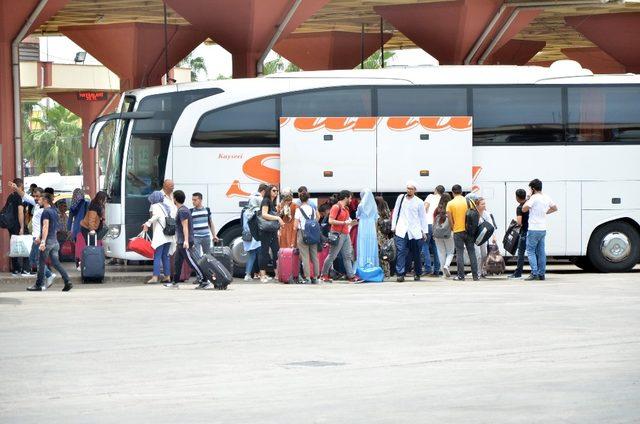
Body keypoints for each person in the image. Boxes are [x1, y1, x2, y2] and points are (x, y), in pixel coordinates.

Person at [27, 192, 71, 292]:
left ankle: (38, 285)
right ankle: (67, 281)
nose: (38, 201)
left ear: (45, 200)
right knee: (56, 263)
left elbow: (46, 227)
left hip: (48, 242)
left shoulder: (46, 211)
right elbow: (53, 227)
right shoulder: (54, 211)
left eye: (40, 199)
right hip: (55, 242)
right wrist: (40, 237)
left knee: (41, 263)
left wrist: (42, 241)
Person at [165, 190, 210, 289]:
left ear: (175, 199)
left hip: (185, 242)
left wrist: (186, 241)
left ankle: (205, 280)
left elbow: (185, 226)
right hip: (181, 242)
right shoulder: (182, 210)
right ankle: (175, 283)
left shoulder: (183, 211)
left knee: (192, 262)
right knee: (177, 262)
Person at [11, 184, 55, 282]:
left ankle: (48, 275)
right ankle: (45, 277)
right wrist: (16, 188)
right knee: (36, 258)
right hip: (36, 236)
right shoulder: (37, 204)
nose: (35, 198)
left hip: (39, 237)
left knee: (34, 259)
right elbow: (24, 196)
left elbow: (46, 225)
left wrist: (41, 238)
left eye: (37, 196)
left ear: (43, 197)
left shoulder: (45, 209)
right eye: (34, 196)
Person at [320, 190, 362, 283]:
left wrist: (352, 222)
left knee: (347, 256)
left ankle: (351, 276)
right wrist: (344, 223)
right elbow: (331, 221)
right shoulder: (336, 207)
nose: (351, 200)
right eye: (350, 198)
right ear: (346, 197)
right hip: (337, 234)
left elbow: (346, 222)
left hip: (346, 234)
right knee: (332, 256)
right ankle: (324, 274)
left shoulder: (346, 208)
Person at [391, 181, 429, 282]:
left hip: (415, 231)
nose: (409, 190)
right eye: (408, 188)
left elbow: (422, 217)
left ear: (415, 190)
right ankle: (400, 274)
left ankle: (417, 273)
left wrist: (424, 231)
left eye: (411, 189)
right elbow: (396, 211)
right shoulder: (401, 198)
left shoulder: (419, 202)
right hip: (401, 229)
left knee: (416, 254)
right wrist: (393, 226)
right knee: (401, 252)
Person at [522, 179, 557, 281]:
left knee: (530, 251)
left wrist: (528, 198)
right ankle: (542, 274)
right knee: (541, 252)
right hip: (542, 228)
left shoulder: (533, 197)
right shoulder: (546, 197)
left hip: (533, 228)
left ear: (533, 188)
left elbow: (524, 209)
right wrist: (545, 212)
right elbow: (554, 208)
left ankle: (534, 273)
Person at [143, 191, 176, 284]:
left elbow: (156, 216)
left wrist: (147, 223)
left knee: (157, 256)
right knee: (165, 256)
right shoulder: (165, 206)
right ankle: (167, 276)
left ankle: (155, 277)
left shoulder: (156, 206)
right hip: (169, 235)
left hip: (161, 236)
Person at [446, 184, 479, 281]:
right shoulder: (469, 201)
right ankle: (475, 276)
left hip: (458, 231)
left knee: (459, 253)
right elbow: (476, 215)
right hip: (469, 231)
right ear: (461, 192)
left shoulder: (450, 203)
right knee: (472, 252)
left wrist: (453, 228)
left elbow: (450, 219)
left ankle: (461, 276)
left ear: (452, 193)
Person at [4, 178, 29, 276]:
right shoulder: (20, 196)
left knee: (14, 246)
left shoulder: (10, 196)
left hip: (11, 225)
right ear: (21, 185)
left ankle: (16, 269)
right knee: (26, 245)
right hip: (18, 225)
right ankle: (26, 269)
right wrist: (22, 227)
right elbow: (20, 212)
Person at [355, 189, 382, 279]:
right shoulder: (374, 206)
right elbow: (376, 218)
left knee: (362, 244)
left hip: (363, 226)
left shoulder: (361, 205)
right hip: (371, 227)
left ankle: (362, 267)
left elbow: (357, 215)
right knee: (371, 244)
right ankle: (372, 266)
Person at [258, 185, 283, 283]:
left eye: (277, 191)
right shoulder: (266, 201)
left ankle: (277, 273)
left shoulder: (272, 202)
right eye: (274, 190)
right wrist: (278, 218)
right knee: (264, 252)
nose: (276, 192)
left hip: (272, 230)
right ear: (269, 191)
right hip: (265, 230)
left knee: (276, 251)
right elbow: (264, 214)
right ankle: (262, 275)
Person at [294, 191, 319, 284]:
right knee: (314, 256)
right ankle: (316, 277)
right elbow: (318, 217)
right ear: (308, 199)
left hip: (303, 233)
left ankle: (308, 277)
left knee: (305, 257)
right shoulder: (312, 209)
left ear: (300, 199)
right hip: (313, 233)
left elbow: (295, 225)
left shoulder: (298, 210)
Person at [508, 189, 530, 280]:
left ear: (517, 197)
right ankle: (536, 272)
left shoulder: (520, 207)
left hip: (524, 232)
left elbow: (519, 222)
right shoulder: (529, 204)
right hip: (532, 230)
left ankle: (518, 274)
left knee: (521, 253)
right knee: (533, 252)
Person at [423, 185, 444, 276]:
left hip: (428, 224)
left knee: (425, 245)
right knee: (436, 248)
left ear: (435, 190)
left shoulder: (430, 196)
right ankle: (436, 270)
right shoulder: (443, 199)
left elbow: (425, 207)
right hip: (437, 225)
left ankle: (427, 268)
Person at [432, 193, 454, 278]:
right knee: (450, 252)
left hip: (437, 234)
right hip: (448, 233)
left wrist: (433, 232)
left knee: (441, 252)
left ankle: (443, 272)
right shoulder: (450, 207)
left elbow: (434, 221)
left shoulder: (437, 209)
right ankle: (446, 266)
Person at [191, 192, 218, 257]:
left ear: (200, 200)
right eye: (192, 200)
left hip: (206, 237)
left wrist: (214, 235)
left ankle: (206, 267)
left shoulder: (207, 210)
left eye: (195, 200)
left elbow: (211, 223)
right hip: (195, 237)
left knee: (208, 256)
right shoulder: (191, 211)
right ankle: (197, 267)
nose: (193, 202)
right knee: (196, 257)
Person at [67, 188, 89, 268]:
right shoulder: (87, 203)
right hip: (85, 228)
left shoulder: (72, 206)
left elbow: (69, 220)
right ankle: (84, 263)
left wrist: (69, 230)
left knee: (78, 246)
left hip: (76, 229)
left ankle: (78, 264)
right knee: (85, 246)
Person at [375, 196, 392, 277]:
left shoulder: (376, 212)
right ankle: (387, 272)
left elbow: (376, 224)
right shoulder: (386, 211)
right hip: (385, 235)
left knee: (379, 254)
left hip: (378, 235)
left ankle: (381, 272)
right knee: (385, 254)